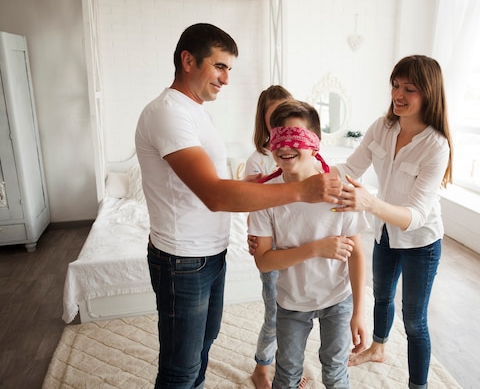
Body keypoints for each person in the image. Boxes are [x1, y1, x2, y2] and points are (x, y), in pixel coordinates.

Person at [134, 23, 342, 389]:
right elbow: (214, 195)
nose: (226, 79)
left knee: (201, 349)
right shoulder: (168, 113)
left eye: (229, 69)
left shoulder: (195, 111)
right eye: (219, 66)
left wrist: (257, 185)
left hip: (209, 254)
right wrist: (300, 192)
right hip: (182, 259)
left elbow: (217, 183)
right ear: (188, 60)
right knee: (180, 366)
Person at [331, 55, 453, 389]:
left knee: (415, 322)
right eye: (395, 86)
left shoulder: (436, 146)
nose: (398, 94)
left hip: (421, 244)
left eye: (409, 89)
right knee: (381, 298)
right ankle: (378, 348)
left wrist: (369, 201)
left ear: (429, 93)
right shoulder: (381, 128)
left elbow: (415, 216)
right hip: (385, 235)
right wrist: (306, 168)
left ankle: (419, 386)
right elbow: (349, 168)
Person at [249, 99, 369, 389]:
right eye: (277, 136)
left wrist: (359, 312)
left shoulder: (342, 191)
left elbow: (356, 255)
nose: (285, 145)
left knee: (336, 369)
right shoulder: (265, 195)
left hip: (338, 299)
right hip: (291, 301)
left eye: (295, 137)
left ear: (315, 144)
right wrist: (316, 249)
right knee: (287, 373)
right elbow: (263, 260)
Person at [244, 85, 305, 389]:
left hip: (300, 246)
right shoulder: (258, 159)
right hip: (272, 249)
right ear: (264, 122)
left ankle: (290, 366)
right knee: (276, 313)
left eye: (286, 115)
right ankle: (261, 366)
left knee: (299, 312)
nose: (282, 123)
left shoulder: (303, 152)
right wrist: (253, 233)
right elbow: (252, 204)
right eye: (274, 118)